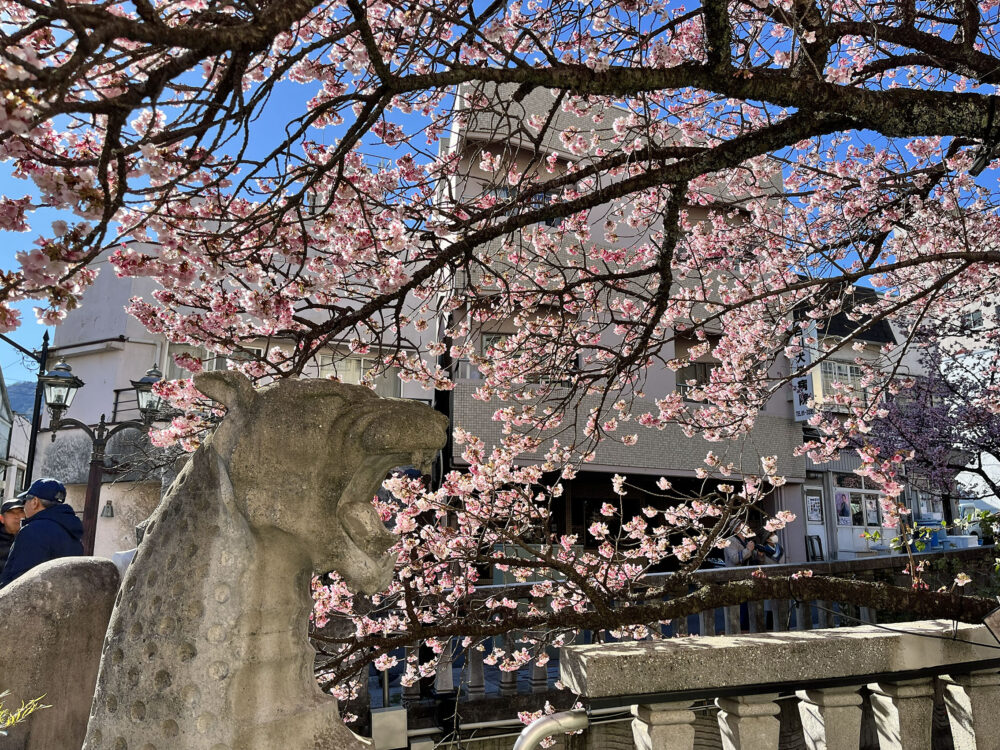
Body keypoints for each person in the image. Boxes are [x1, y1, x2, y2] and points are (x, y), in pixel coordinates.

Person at [0, 478, 83, 588]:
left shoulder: (32, 531)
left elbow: (20, 583)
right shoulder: (72, 533)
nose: (24, 507)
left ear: (35, 502)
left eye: (25, 501)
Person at [0, 497, 26, 573]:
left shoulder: (31, 537)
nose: (17, 516)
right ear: (2, 519)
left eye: (21, 511)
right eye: (11, 512)